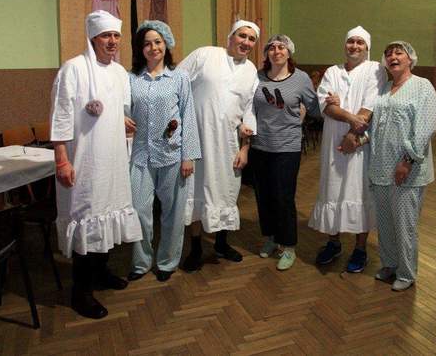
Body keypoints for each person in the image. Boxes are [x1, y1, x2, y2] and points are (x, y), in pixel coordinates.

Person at [50, 10, 142, 319]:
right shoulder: (73, 69)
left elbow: (116, 108)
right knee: (87, 219)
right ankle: (81, 291)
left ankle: (101, 272)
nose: (112, 41)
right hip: (85, 162)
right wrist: (62, 160)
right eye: (106, 35)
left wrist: (120, 119)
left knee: (108, 216)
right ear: (93, 38)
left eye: (116, 35)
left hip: (112, 160)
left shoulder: (119, 73)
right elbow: (61, 117)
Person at [178, 20, 260, 271]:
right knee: (195, 192)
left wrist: (245, 147)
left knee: (226, 193)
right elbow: (176, 83)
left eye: (252, 39)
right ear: (230, 36)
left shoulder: (251, 71)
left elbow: (249, 110)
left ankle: (222, 244)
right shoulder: (205, 55)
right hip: (197, 139)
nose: (246, 42)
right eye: (242, 36)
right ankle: (195, 248)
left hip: (229, 144)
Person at [125, 20, 201, 283]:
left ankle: (167, 262)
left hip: (172, 154)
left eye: (157, 42)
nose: (153, 47)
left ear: (166, 44)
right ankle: (140, 262)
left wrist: (188, 156)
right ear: (140, 48)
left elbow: (188, 116)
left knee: (173, 212)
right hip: (141, 155)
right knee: (138, 210)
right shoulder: (131, 78)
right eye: (147, 43)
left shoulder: (179, 77)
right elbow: (122, 107)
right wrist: (120, 117)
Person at [309, 26, 386, 273]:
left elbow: (370, 106)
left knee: (359, 192)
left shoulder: (375, 70)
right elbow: (326, 107)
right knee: (331, 190)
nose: (354, 46)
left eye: (360, 42)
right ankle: (333, 243)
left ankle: (360, 249)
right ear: (345, 45)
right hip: (333, 142)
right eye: (351, 41)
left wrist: (353, 135)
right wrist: (351, 118)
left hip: (361, 144)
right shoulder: (333, 72)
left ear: (367, 47)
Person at [369, 41, 436, 291]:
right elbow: (377, 125)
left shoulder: (422, 86)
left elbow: (425, 127)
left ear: (411, 59)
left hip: (407, 170)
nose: (393, 57)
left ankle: (407, 273)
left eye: (399, 53)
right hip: (381, 167)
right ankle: (389, 264)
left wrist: (407, 161)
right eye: (388, 54)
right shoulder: (385, 88)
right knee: (385, 222)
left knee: (405, 224)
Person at [250, 35, 320, 271]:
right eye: (272, 47)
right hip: (260, 145)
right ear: (266, 53)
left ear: (289, 53)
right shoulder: (257, 77)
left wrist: (328, 104)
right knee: (264, 196)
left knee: (283, 197)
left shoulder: (301, 79)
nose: (277, 51)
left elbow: (314, 108)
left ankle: (288, 246)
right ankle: (271, 237)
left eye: (282, 47)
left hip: (287, 147)